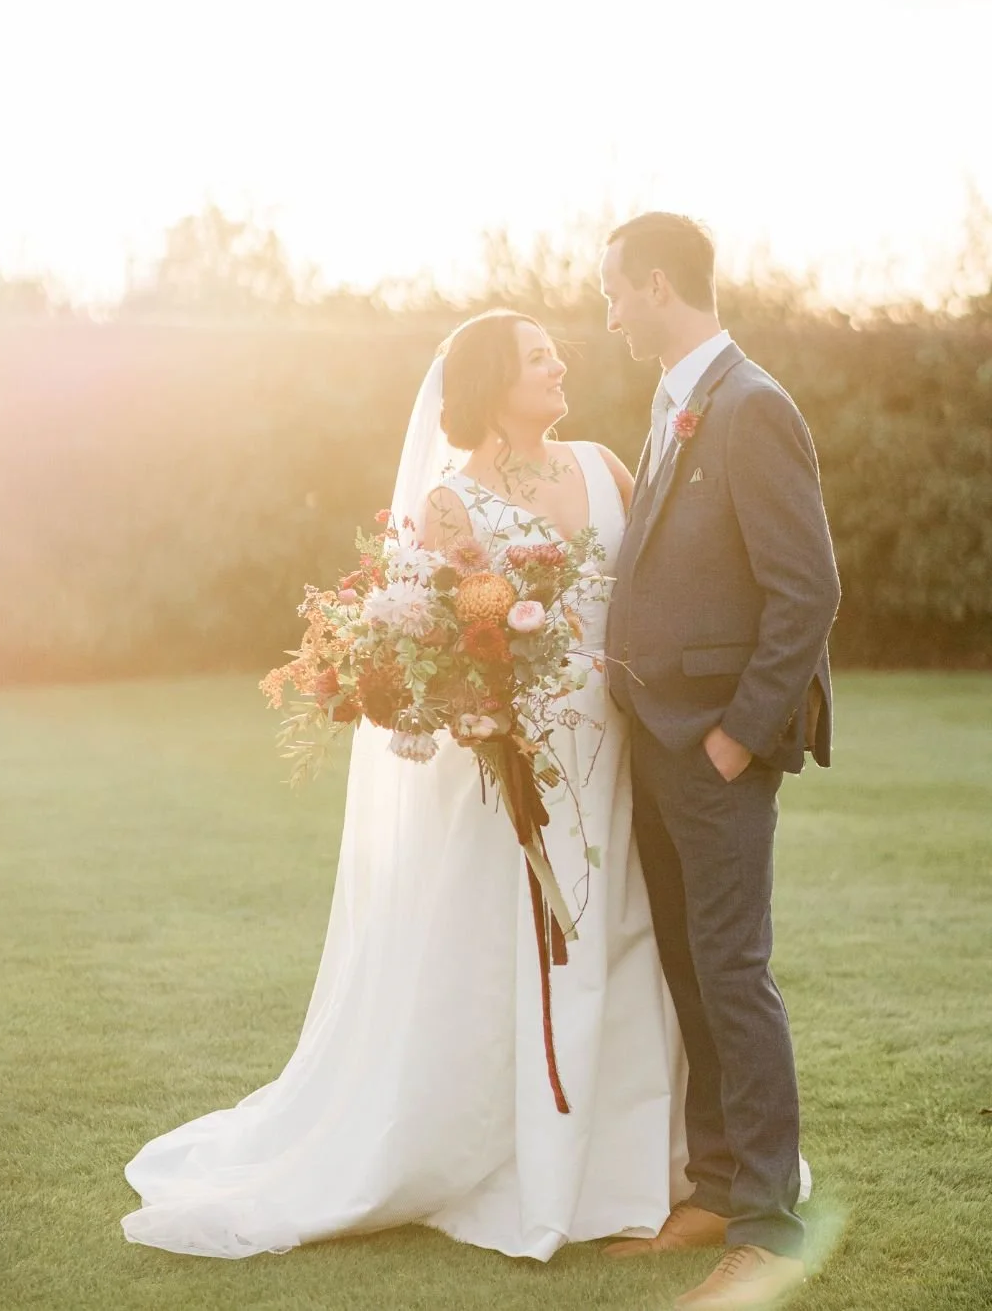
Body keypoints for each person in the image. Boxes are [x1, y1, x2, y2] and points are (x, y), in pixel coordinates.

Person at [121, 309, 691, 1261]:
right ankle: (520, 1159)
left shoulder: (605, 467)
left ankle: (628, 1165)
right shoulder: (453, 505)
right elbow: (475, 639)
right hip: (523, 757)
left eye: (558, 354)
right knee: (517, 950)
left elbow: (656, 586)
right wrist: (492, 706)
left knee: (625, 933)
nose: (560, 366)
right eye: (537, 357)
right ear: (490, 384)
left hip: (621, 747)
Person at [602, 213, 840, 1310]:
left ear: (656, 286)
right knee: (690, 971)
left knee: (735, 972)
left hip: (719, 749)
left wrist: (740, 733)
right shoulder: (670, 408)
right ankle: (713, 1187)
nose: (607, 311)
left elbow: (808, 589)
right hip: (656, 743)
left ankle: (770, 1223)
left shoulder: (752, 406)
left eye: (615, 290)